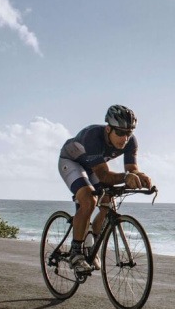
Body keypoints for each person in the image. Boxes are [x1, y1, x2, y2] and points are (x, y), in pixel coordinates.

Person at [57, 104, 153, 273]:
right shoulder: (93, 136)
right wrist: (125, 178)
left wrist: (141, 177)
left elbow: (131, 168)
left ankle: (91, 245)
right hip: (71, 162)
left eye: (129, 133)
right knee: (89, 200)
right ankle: (76, 253)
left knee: (108, 202)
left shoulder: (130, 141)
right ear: (108, 129)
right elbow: (103, 175)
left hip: (93, 167)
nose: (125, 138)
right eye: (120, 133)